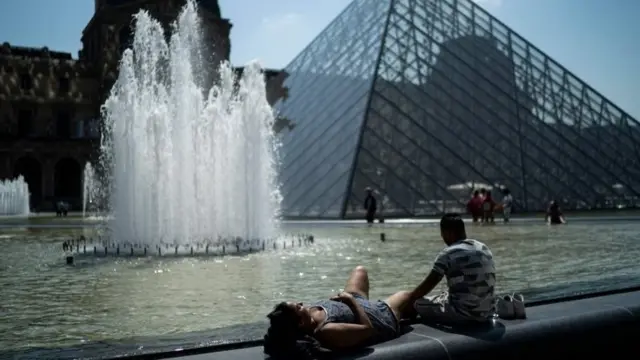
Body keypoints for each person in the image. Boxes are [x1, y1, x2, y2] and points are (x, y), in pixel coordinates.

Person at [263, 266, 414, 358]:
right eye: (298, 307)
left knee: (360, 270)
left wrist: (350, 299)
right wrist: (350, 301)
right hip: (381, 318)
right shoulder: (326, 330)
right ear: (301, 322)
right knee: (405, 295)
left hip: (356, 300)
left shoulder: (306, 317)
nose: (301, 303)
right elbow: (368, 330)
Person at [408, 213, 496, 325]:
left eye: (442, 234)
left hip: (463, 314)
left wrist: (410, 299)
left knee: (417, 303)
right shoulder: (484, 248)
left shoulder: (448, 253)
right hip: (488, 313)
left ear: (447, 233)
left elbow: (428, 285)